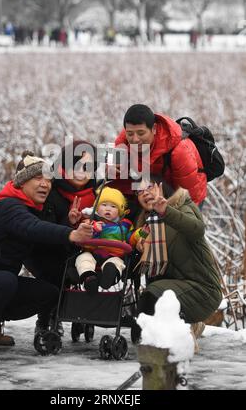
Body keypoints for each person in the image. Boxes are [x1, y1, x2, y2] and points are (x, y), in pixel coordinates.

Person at [0, 152, 93, 357]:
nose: (45, 184)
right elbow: (32, 227)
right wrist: (71, 234)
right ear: (21, 182)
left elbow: (42, 233)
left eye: (48, 180)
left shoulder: (30, 210)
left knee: (49, 293)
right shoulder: (8, 206)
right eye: (38, 178)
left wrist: (69, 226)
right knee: (4, 281)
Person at [131, 175, 222, 343]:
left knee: (151, 297)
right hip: (173, 288)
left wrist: (166, 211)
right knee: (150, 296)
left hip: (203, 290)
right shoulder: (147, 224)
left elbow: (197, 229)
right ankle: (186, 325)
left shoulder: (182, 206)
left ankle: (180, 331)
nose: (144, 193)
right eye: (139, 191)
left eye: (149, 187)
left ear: (162, 186)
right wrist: (139, 246)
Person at [24, 141, 98, 334]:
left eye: (88, 167)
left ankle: (84, 312)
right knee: (56, 270)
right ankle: (48, 317)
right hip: (51, 250)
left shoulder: (97, 193)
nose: (81, 172)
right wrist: (69, 222)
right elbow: (45, 231)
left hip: (87, 250)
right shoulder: (52, 191)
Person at [113, 104, 207, 208]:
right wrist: (109, 170)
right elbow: (116, 184)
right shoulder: (123, 144)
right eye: (130, 134)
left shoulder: (180, 151)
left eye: (141, 133)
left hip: (187, 196)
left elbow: (186, 199)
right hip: (152, 195)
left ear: (154, 129)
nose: (135, 139)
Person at [72, 187, 136, 294]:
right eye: (104, 205)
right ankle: (88, 278)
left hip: (114, 255)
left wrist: (140, 234)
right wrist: (94, 230)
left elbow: (131, 238)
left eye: (113, 206)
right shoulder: (90, 222)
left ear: (120, 211)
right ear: (96, 208)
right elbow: (82, 238)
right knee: (83, 258)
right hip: (93, 253)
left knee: (117, 263)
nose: (108, 209)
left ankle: (111, 275)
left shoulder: (125, 224)